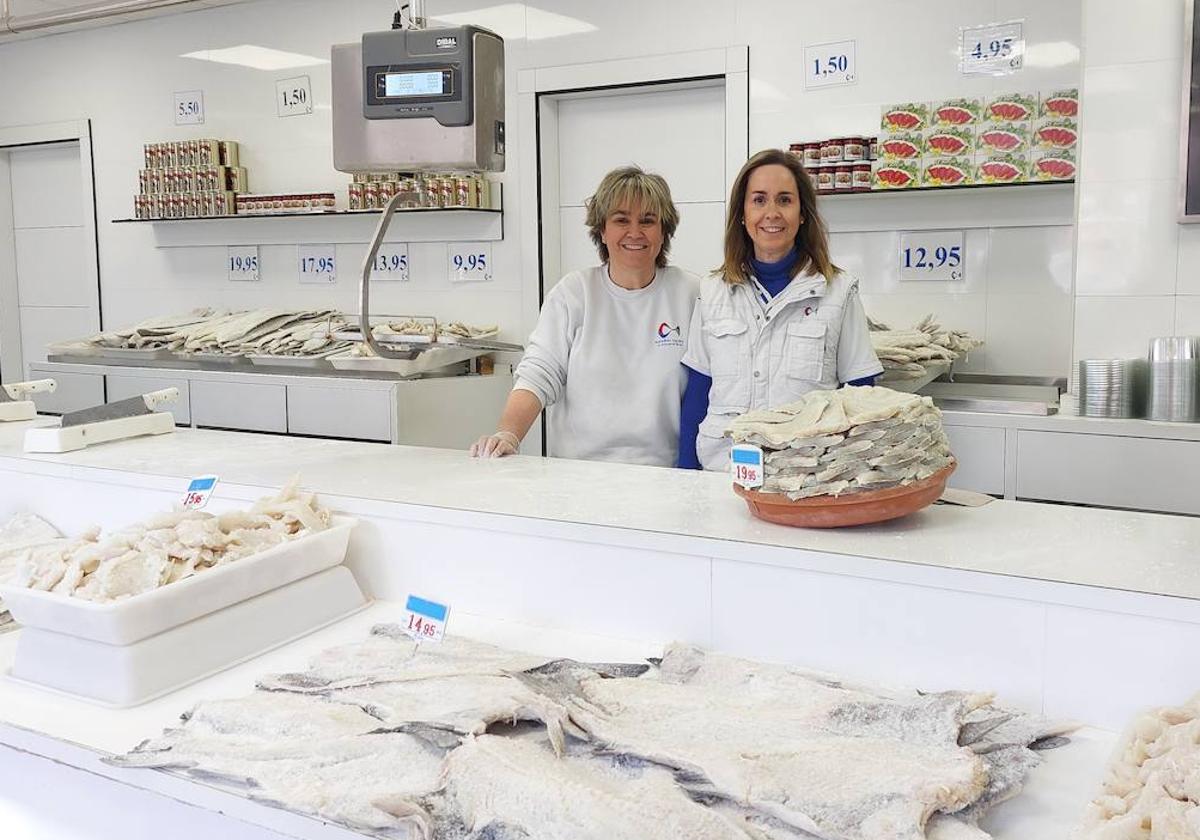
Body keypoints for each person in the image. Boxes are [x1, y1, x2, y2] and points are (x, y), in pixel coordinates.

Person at [470, 165, 698, 466]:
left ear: (664, 230)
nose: (635, 232)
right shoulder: (574, 293)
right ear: (602, 230)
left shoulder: (691, 294)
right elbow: (539, 373)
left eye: (647, 220)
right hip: (579, 474)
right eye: (621, 220)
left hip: (665, 475)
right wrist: (508, 434)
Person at [677, 148, 882, 471]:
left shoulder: (839, 292)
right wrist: (685, 480)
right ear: (742, 214)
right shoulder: (713, 291)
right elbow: (698, 395)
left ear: (802, 213)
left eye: (784, 200)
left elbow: (861, 398)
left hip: (803, 479)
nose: (771, 212)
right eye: (759, 199)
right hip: (721, 473)